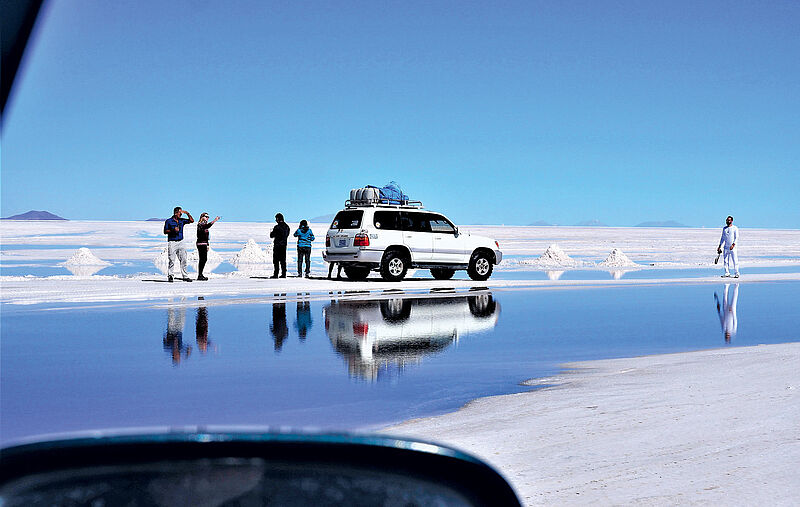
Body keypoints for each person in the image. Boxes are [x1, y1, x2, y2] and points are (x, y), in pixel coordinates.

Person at [164, 206, 194, 282]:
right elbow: (165, 231)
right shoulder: (169, 221)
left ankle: (185, 276)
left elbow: (191, 221)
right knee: (171, 260)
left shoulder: (182, 220)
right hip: (172, 242)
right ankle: (170, 275)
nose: (181, 214)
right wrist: (173, 230)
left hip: (181, 242)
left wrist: (187, 213)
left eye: (181, 213)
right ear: (175, 213)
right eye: (180, 213)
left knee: (183, 259)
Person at [195, 212, 220, 281]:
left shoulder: (204, 225)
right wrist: (215, 220)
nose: (207, 218)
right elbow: (207, 226)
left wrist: (208, 245)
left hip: (204, 244)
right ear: (202, 217)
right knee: (202, 259)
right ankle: (199, 275)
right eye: (206, 217)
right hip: (200, 243)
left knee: (204, 259)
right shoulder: (200, 224)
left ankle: (200, 274)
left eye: (208, 217)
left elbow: (206, 236)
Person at [270, 213, 290, 278]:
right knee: (283, 260)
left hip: (277, 245)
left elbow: (271, 235)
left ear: (278, 219)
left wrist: (272, 232)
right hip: (284, 245)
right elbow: (287, 235)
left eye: (276, 219)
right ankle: (284, 274)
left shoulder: (277, 227)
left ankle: (276, 274)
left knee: (276, 260)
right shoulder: (287, 227)